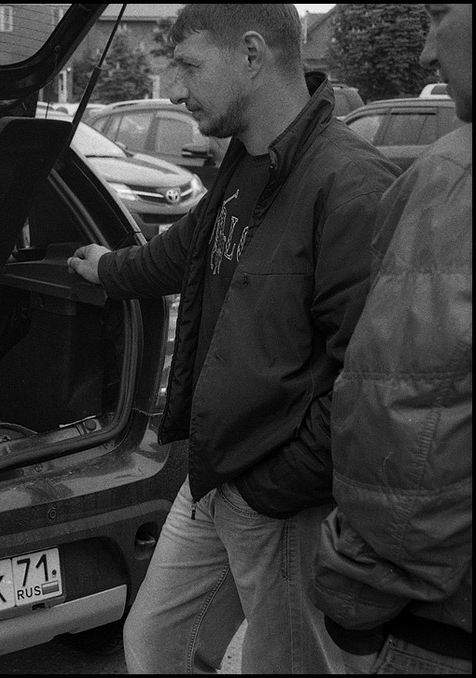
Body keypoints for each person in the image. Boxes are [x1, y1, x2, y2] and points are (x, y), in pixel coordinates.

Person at [67, 4, 399, 674]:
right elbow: (184, 251)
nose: (175, 89)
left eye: (189, 64)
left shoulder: (351, 184)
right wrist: (106, 267)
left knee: (288, 664)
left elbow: (366, 382)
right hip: (216, 471)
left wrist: (276, 487)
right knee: (155, 639)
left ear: (251, 54)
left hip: (279, 494)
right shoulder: (246, 165)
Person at [311, 4, 472, 674]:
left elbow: (402, 422)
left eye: (440, 15)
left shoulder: (452, 180)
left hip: (439, 621)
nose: (427, 54)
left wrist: (354, 594)